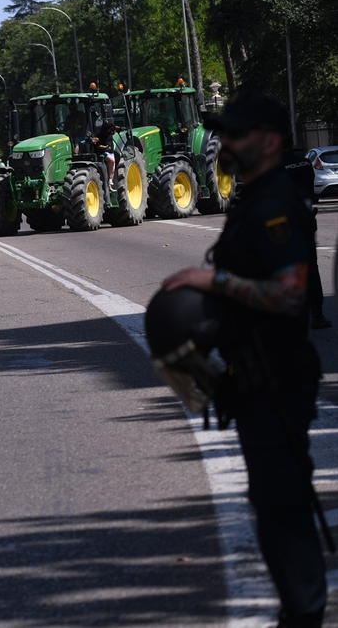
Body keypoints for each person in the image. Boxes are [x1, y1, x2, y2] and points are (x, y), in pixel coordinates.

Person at [163, 90, 326, 628]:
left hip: (276, 380)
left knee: (283, 506)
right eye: (223, 133)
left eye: (238, 134)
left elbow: (289, 294)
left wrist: (214, 281)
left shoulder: (275, 203)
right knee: (275, 503)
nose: (225, 142)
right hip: (255, 380)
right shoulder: (254, 198)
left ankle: (303, 615)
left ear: (272, 142)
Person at [283, 146, 331, 328]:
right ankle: (317, 315)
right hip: (305, 221)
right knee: (311, 268)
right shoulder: (305, 163)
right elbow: (311, 195)